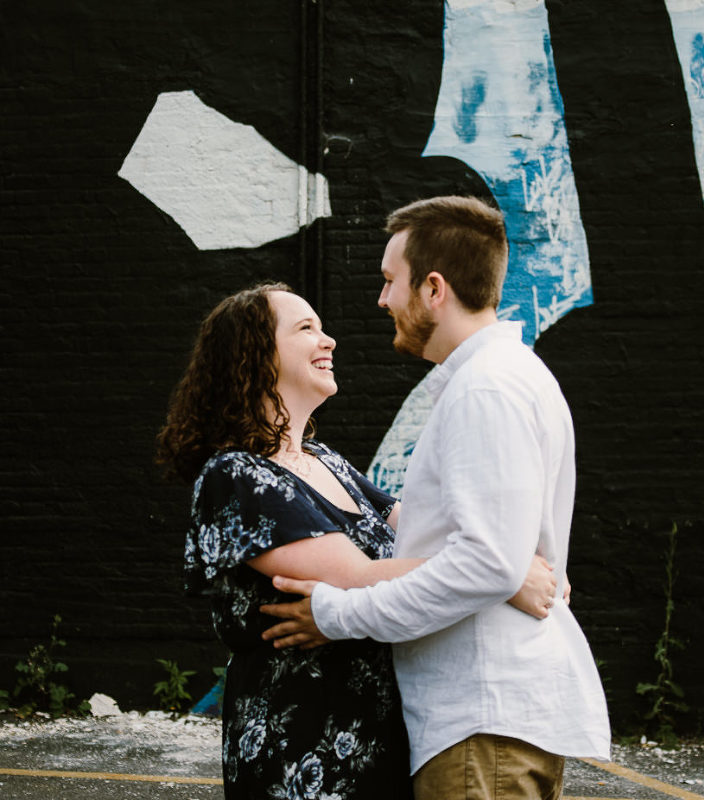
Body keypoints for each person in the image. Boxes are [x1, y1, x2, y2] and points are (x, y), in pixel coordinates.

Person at [261, 196, 611, 799]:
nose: (382, 300)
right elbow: (501, 558)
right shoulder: (505, 377)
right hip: (487, 720)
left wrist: (336, 616)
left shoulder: (486, 390)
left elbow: (487, 565)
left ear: (433, 288)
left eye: (390, 281)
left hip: (482, 722)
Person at [157, 282, 557, 800]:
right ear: (253, 355)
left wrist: (505, 548)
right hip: (304, 742)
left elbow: (426, 525)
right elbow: (358, 579)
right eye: (306, 329)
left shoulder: (327, 461)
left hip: (381, 732)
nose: (329, 341)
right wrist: (503, 575)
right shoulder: (235, 475)